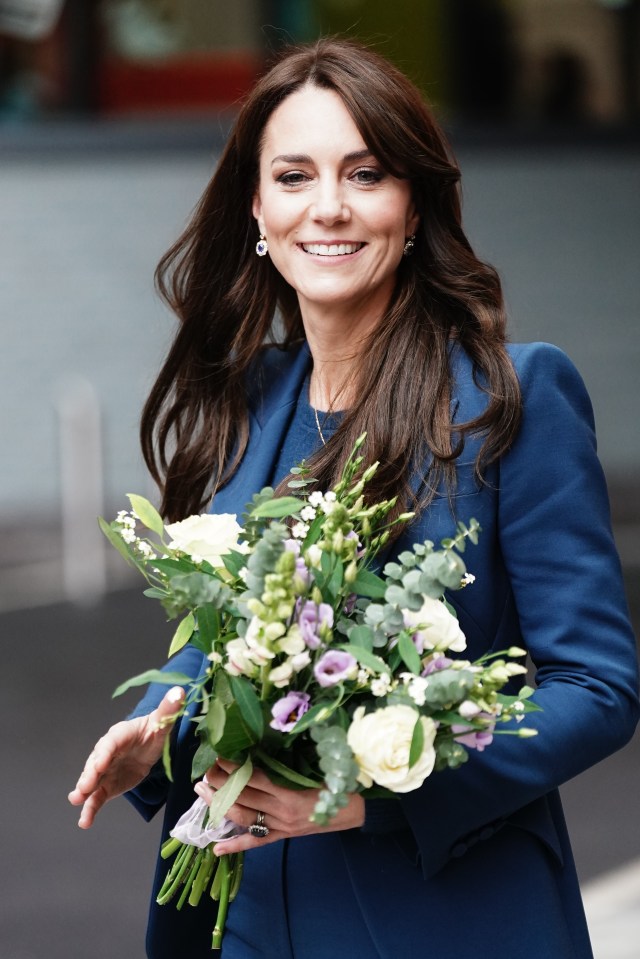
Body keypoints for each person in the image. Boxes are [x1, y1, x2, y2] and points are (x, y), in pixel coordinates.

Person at [69, 38, 639, 959]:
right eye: (294, 176)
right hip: (241, 918)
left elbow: (597, 686)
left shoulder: (509, 398)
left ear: (412, 204)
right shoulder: (249, 400)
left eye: (365, 173)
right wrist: (159, 723)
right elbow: (230, 641)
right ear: (258, 207)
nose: (328, 207)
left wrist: (380, 788)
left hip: (437, 913)